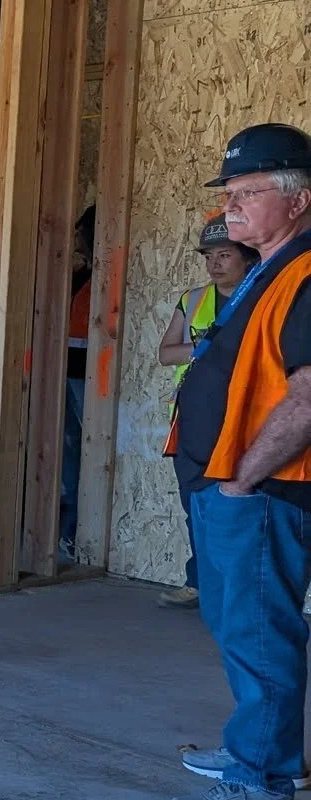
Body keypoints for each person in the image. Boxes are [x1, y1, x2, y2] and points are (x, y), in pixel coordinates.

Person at [167, 123, 311, 800]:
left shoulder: (306, 276)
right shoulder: (271, 268)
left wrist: (244, 480)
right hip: (231, 484)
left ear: (299, 199)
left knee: (260, 632)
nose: (232, 206)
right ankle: (258, 750)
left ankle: (264, 784)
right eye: (228, 193)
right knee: (239, 626)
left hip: (261, 489)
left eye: (249, 191)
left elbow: (309, 396)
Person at [154, 211, 256, 608]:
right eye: (208, 256)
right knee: (194, 504)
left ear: (247, 257)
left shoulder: (263, 298)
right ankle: (199, 583)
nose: (214, 264)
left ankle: (237, 590)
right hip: (193, 424)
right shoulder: (193, 300)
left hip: (245, 422)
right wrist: (204, 349)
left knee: (239, 508)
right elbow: (166, 353)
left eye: (224, 255)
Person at [59, 206, 96, 557]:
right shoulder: (80, 276)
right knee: (70, 445)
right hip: (66, 371)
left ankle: (79, 527)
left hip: (89, 375)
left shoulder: (104, 276)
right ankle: (68, 520)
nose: (76, 241)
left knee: (86, 448)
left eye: (80, 233)